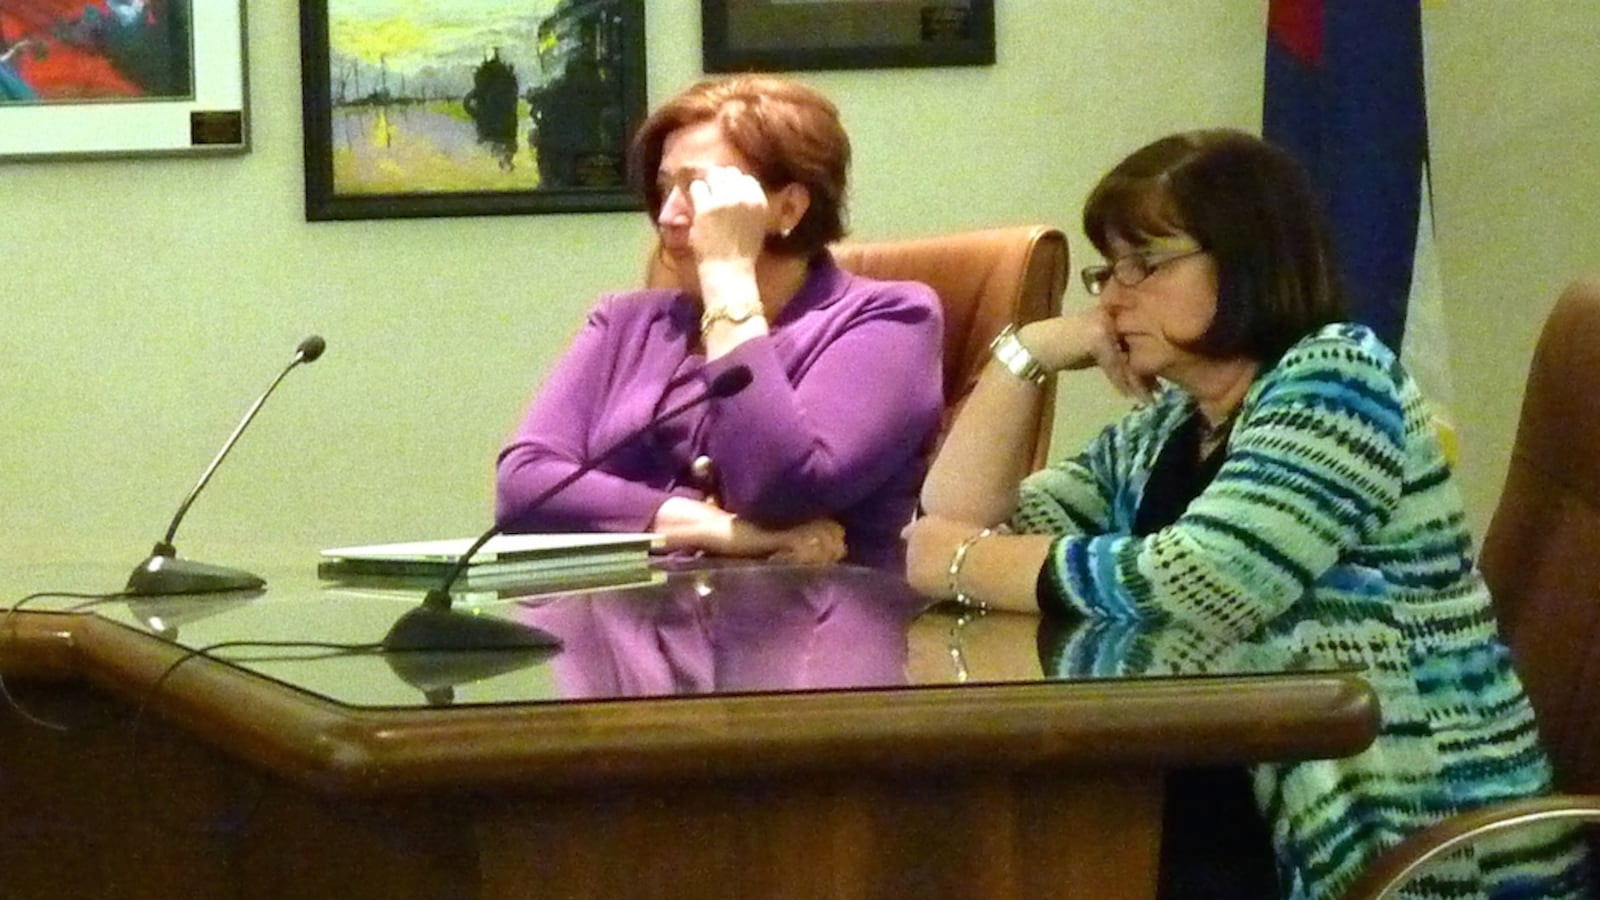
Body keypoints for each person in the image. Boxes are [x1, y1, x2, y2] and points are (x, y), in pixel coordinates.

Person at [904, 129, 1589, 899]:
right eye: (1109, 270)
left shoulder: (1337, 379)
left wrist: (960, 563)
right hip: (1239, 807)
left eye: (1146, 265)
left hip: (1395, 838)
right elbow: (960, 510)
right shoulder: (1172, 425)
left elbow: (1202, 577)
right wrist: (1027, 351)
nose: (1111, 299)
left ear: (1247, 257)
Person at [497, 74, 944, 573]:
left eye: (699, 189)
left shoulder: (892, 319)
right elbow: (524, 487)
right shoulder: (625, 322)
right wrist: (724, 533)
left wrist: (728, 274)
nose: (667, 216)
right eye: (665, 188)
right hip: (628, 635)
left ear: (789, 207)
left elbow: (780, 491)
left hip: (808, 633)